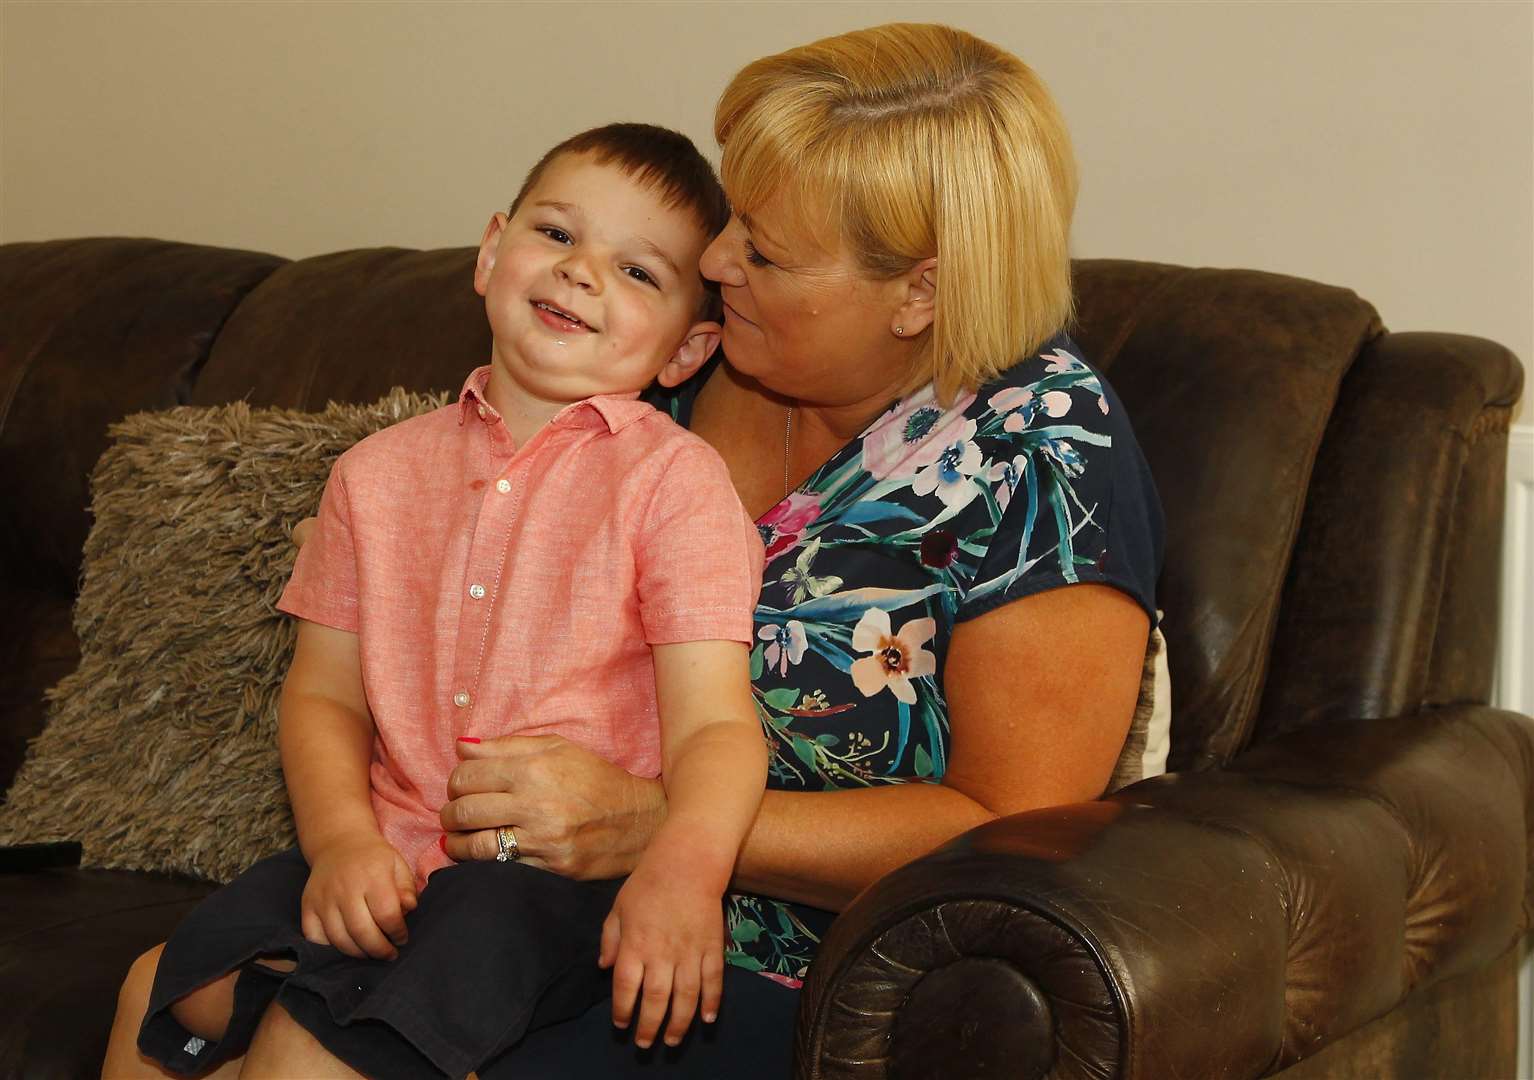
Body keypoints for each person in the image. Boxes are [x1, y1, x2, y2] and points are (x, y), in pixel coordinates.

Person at [430, 22, 1165, 1078]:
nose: (715, 259)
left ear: (919, 291)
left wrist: (667, 828)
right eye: (734, 218)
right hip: (517, 909)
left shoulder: (1040, 454)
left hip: (781, 982)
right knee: (197, 1000)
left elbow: (1013, 829)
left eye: (764, 252)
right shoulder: (668, 357)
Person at [103, 124, 769, 1079]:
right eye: (557, 233)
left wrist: (684, 875)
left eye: (637, 271)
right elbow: (325, 695)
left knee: (313, 1047)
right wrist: (339, 843)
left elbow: (715, 728)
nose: (582, 273)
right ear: (492, 251)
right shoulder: (372, 477)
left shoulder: (676, 484)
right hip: (382, 844)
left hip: (545, 885)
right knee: (157, 992)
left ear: (686, 350)